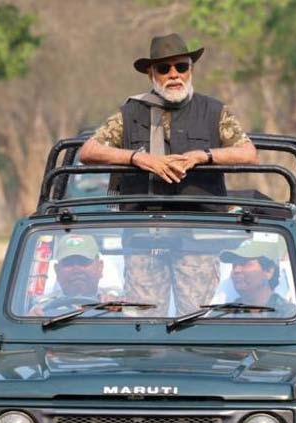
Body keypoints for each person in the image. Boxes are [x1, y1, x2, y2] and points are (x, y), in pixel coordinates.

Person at [78, 33, 258, 315]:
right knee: (145, 321)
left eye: (181, 67)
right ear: (151, 73)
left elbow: (247, 152)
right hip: (143, 235)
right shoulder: (130, 113)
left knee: (196, 320)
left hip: (198, 233)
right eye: (164, 68)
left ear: (191, 69)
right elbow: (88, 151)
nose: (174, 74)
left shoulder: (213, 111)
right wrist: (138, 159)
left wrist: (205, 156)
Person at [31, 234, 120, 315]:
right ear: (57, 271)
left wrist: (120, 308)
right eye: (68, 262)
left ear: (100, 267)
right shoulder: (42, 308)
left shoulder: (118, 301)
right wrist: (32, 321)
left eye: (84, 261)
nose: (77, 269)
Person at [219, 239, 296, 317]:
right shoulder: (222, 316)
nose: (236, 270)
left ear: (269, 271)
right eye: (234, 265)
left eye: (245, 263)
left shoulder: (291, 315)